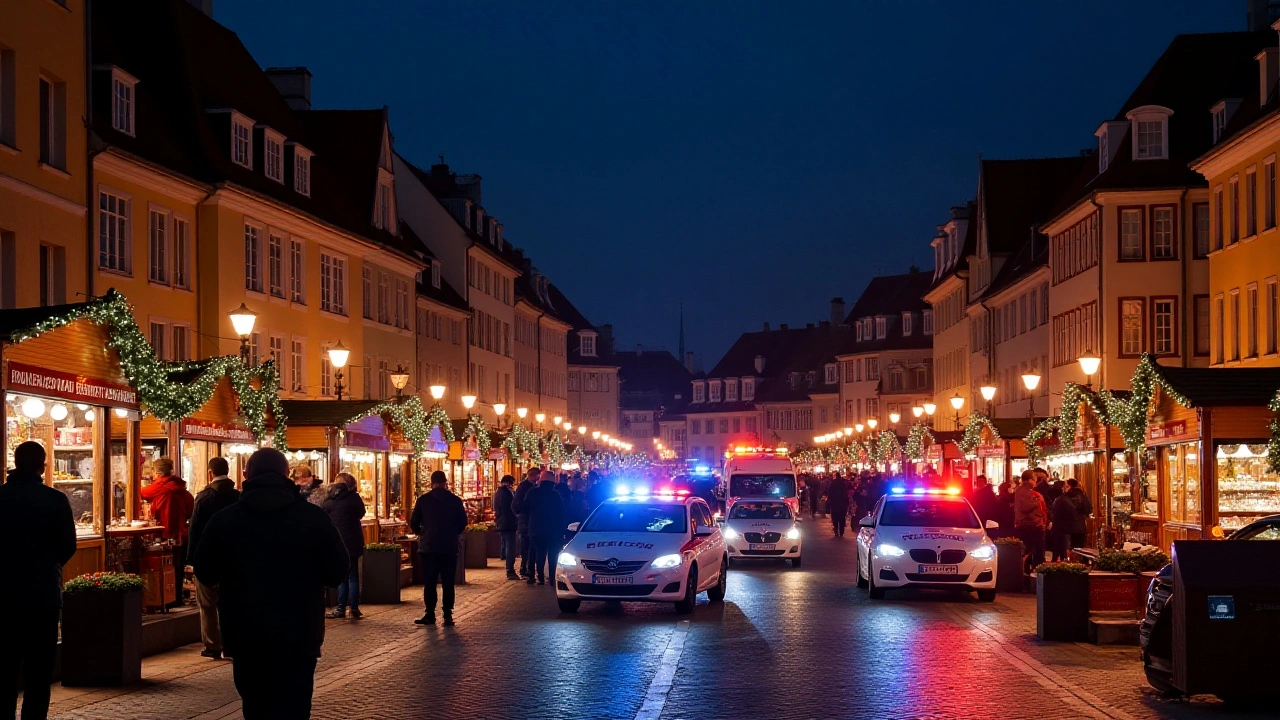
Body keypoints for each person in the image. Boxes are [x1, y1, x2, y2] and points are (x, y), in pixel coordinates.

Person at [192, 448, 347, 720]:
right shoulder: (313, 518)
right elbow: (337, 571)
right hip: (299, 634)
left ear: (245, 475)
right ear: (286, 474)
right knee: (295, 707)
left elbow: (205, 571)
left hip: (245, 634)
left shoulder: (226, 520)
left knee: (255, 706)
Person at [0, 442, 75, 720]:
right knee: (38, 672)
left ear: (15, 463)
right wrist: (46, 566)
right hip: (42, 596)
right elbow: (68, 545)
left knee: (5, 669)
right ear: (42, 465)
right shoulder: (54, 500)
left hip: (4, 596)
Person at [187, 457, 240, 660]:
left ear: (210, 473)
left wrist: (191, 559)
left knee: (208, 604)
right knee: (231, 603)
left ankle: (212, 644)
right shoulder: (238, 497)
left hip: (208, 558)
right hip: (234, 560)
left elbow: (195, 530)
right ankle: (231, 642)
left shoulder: (204, 497)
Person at [409, 471, 468, 626]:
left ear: (431, 482)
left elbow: (413, 521)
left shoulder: (423, 500)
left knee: (430, 582)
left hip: (428, 547)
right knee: (448, 582)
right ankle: (447, 615)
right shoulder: (455, 500)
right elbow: (463, 522)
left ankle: (430, 614)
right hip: (449, 546)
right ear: (445, 482)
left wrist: (422, 533)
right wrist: (453, 533)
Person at [140, 457, 195, 608]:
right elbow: (191, 509)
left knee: (161, 569)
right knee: (177, 568)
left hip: (162, 535)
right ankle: (176, 598)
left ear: (157, 472)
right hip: (181, 536)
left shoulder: (159, 486)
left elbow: (141, 492)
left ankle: (162, 600)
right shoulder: (182, 489)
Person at [322, 472, 366, 619]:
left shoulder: (329, 498)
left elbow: (324, 514)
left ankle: (340, 608)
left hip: (337, 541)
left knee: (342, 576)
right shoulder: (353, 498)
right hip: (353, 541)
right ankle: (354, 608)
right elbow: (361, 513)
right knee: (353, 575)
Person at [526, 472, 565, 585]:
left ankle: (541, 576)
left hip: (536, 528)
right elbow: (561, 513)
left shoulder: (533, 492)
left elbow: (525, 507)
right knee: (553, 553)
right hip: (553, 529)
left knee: (540, 552)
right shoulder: (555, 495)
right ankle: (552, 577)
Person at [1013, 470, 1048, 574]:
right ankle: (1036, 574)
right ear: (1029, 480)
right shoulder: (1030, 492)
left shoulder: (1019, 490)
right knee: (1036, 551)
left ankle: (1027, 572)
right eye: (1034, 479)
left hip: (1026, 524)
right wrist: (1037, 501)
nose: (1036, 482)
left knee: (1029, 551)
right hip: (1034, 525)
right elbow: (1026, 507)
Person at [493, 475, 519, 580]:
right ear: (508, 482)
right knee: (510, 546)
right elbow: (509, 509)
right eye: (511, 483)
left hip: (501, 522)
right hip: (508, 523)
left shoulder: (498, 492)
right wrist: (515, 517)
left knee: (506, 543)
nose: (512, 485)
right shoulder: (506, 493)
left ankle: (505, 559)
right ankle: (510, 569)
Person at [1065, 479, 1093, 550]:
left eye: (1066, 486)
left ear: (1069, 486)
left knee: (1070, 547)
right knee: (1080, 547)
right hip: (1080, 525)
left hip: (1068, 526)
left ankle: (1071, 559)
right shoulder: (1082, 496)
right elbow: (1089, 509)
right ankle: (1079, 559)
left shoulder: (1066, 497)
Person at [1048, 490, 1077, 562]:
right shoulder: (1067, 502)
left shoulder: (1058, 500)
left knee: (1057, 544)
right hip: (1065, 527)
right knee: (1064, 544)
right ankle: (1063, 558)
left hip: (1058, 526)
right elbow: (1073, 514)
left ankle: (1056, 558)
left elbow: (1053, 513)